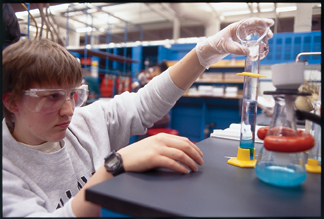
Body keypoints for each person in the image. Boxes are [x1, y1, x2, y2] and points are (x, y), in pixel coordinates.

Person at [2, 17, 274, 217]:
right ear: (11, 101)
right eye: (52, 97)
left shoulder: (84, 122)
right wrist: (116, 164)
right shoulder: (7, 171)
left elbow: (146, 102)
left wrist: (206, 51)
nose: (69, 110)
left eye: (74, 95)